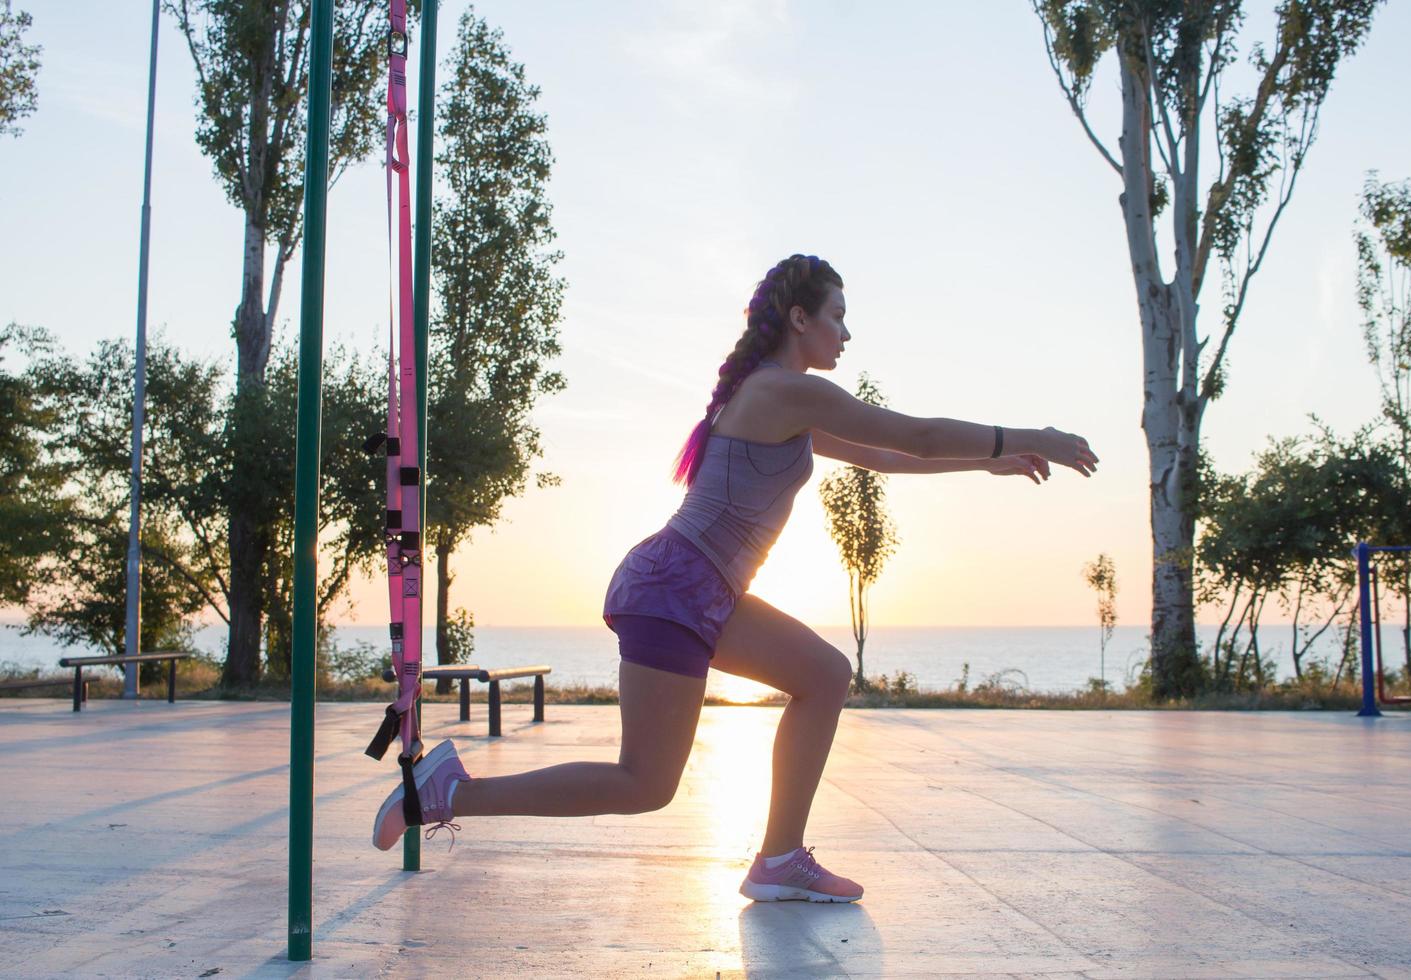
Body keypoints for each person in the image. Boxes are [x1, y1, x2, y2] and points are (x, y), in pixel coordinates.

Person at [371, 254, 1100, 902]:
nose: (847, 334)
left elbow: (891, 457)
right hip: (673, 590)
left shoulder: (784, 398)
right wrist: (1032, 435)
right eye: (839, 318)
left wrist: (988, 462)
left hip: (700, 590)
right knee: (645, 784)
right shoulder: (784, 392)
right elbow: (916, 432)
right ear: (799, 317)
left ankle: (779, 858)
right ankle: (447, 791)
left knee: (824, 673)